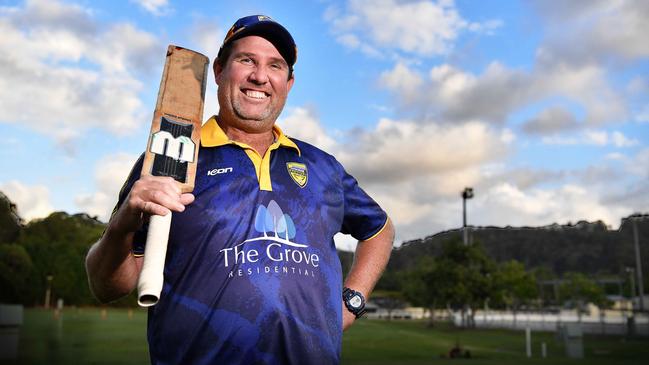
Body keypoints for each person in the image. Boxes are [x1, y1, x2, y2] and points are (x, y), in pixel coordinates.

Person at [86, 14, 394, 365]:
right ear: (218, 70)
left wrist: (352, 301)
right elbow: (108, 286)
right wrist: (123, 223)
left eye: (275, 66)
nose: (260, 76)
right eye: (246, 60)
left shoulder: (321, 167)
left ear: (289, 83)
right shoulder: (172, 155)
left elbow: (380, 230)